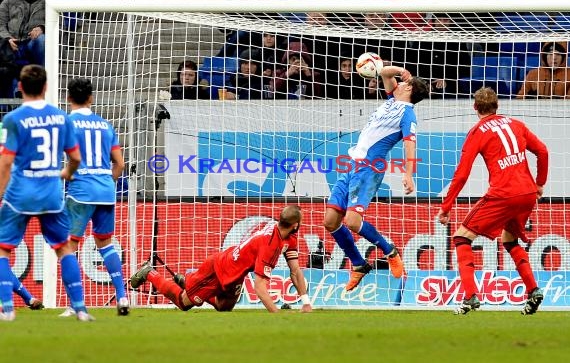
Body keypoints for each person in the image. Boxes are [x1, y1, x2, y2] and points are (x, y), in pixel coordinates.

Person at [437, 87, 549, 315]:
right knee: (510, 240)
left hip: (503, 194)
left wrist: (446, 207)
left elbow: (461, 174)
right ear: (497, 106)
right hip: (527, 193)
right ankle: (533, 290)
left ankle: (470, 297)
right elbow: (543, 151)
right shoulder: (516, 124)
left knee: (460, 237)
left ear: (475, 107)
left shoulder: (477, 131)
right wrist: (539, 183)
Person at [322, 64, 429, 291]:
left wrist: (409, 174)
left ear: (408, 89)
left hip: (369, 168)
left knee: (351, 221)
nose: (397, 83)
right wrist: (401, 70)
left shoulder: (407, 112)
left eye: (403, 83)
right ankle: (359, 264)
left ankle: (390, 251)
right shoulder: (392, 100)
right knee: (330, 220)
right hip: (353, 164)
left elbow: (411, 143)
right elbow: (384, 72)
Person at [0, 65, 92, 321]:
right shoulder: (61, 117)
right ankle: (81, 309)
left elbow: (6, 163)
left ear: (20, 87)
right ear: (46, 87)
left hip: (20, 194)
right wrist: (66, 173)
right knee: (63, 249)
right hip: (51, 193)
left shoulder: (13, 119)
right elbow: (74, 157)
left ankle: (7, 310)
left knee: (2, 250)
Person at [130, 205, 312, 313]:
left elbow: (295, 271)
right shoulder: (270, 244)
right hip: (219, 268)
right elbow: (259, 288)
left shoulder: (288, 236)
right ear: (295, 225)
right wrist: (277, 313)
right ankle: (150, 273)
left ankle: (188, 281)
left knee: (223, 308)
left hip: (235, 272)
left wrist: (306, 303)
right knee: (184, 303)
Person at [57, 78, 128, 317]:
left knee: (68, 247)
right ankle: (122, 296)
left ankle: (74, 304)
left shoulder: (67, 124)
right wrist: (107, 183)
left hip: (81, 191)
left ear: (68, 98)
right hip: (106, 191)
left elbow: (66, 158)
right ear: (91, 98)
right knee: (105, 244)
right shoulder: (105, 125)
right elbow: (120, 164)